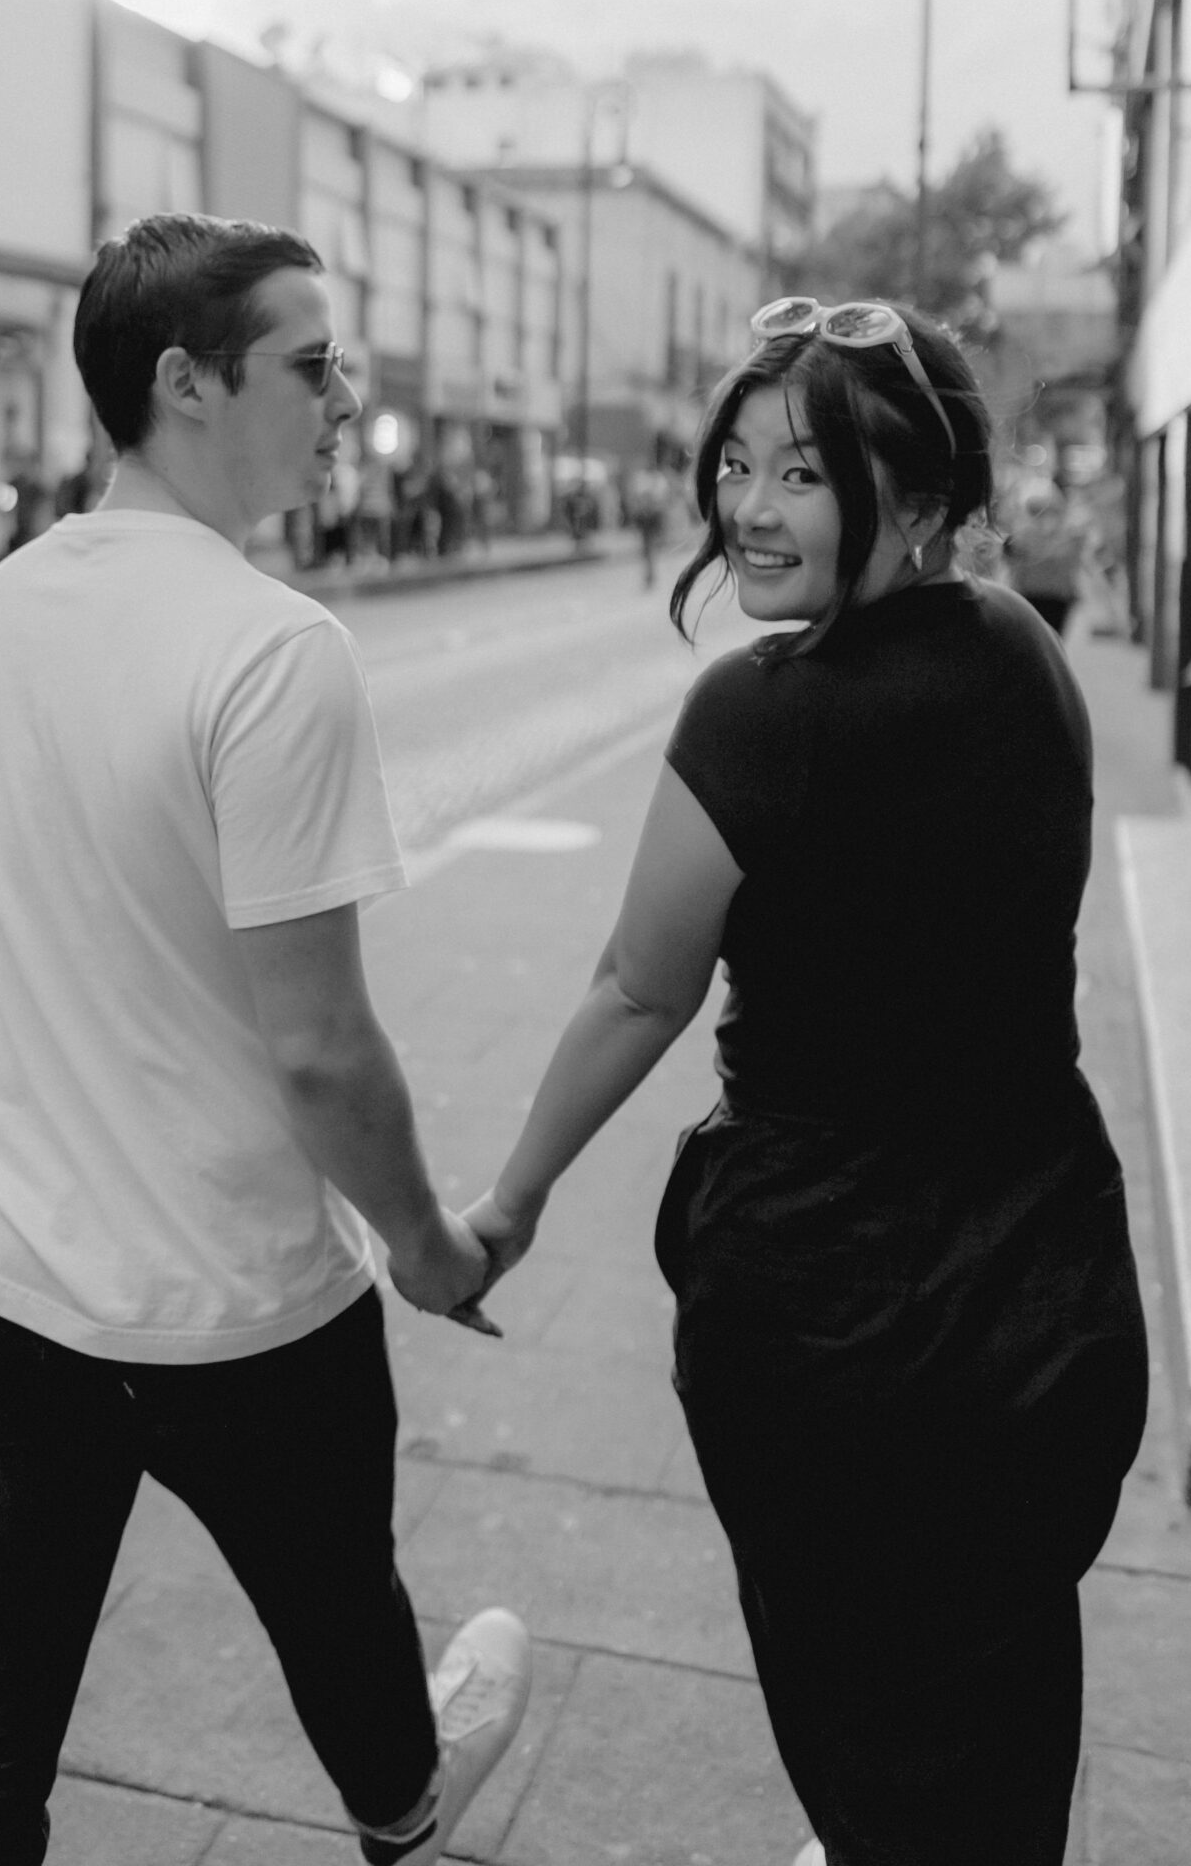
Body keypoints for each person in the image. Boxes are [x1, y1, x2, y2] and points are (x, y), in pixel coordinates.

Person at [0, 213, 531, 1866]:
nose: (341, 398)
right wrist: (430, 1245)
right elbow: (317, 1049)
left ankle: (401, 1787)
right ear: (183, 381)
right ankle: (402, 1811)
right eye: (311, 366)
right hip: (236, 1310)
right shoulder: (273, 651)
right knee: (340, 1622)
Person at [464, 295, 1148, 1866]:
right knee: (997, 1665)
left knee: (849, 1680)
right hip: (1039, 1270)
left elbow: (638, 986)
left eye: (801, 475)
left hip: (821, 1290)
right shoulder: (1027, 657)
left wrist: (508, 1201)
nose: (747, 508)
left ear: (913, 505)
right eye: (739, 466)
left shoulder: (756, 715)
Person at [1004, 480, 1088, 638]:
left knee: (1043, 641)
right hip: (1039, 595)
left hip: (1047, 596)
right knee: (1045, 642)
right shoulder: (1025, 532)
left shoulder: (1068, 532)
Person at [625, 461, 673, 588]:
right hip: (647, 516)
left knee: (651, 545)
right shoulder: (646, 478)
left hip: (653, 515)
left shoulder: (656, 479)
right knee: (648, 545)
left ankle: (651, 572)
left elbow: (661, 497)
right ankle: (650, 572)